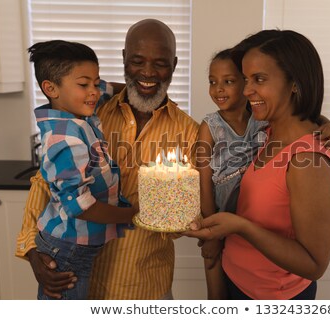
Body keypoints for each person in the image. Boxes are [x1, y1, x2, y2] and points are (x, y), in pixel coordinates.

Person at [16, 19, 199, 300]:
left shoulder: (189, 132)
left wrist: (174, 214)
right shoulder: (89, 113)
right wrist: (32, 250)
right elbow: (44, 185)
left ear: (174, 65)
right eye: (137, 61)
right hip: (74, 278)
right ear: (124, 59)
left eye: (160, 63)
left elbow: (179, 220)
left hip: (144, 287)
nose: (148, 73)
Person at [185, 29, 330, 300]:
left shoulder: (308, 161)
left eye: (259, 79)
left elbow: (314, 264)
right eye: (245, 79)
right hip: (235, 278)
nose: (246, 90)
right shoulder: (267, 132)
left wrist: (240, 226)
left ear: (294, 82)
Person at [27, 40, 136, 299]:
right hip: (66, 253)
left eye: (95, 82)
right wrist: (131, 215)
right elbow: (81, 206)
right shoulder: (64, 140)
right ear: (50, 88)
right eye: (84, 84)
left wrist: (140, 91)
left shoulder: (78, 108)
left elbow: (110, 89)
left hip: (75, 246)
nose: (94, 92)